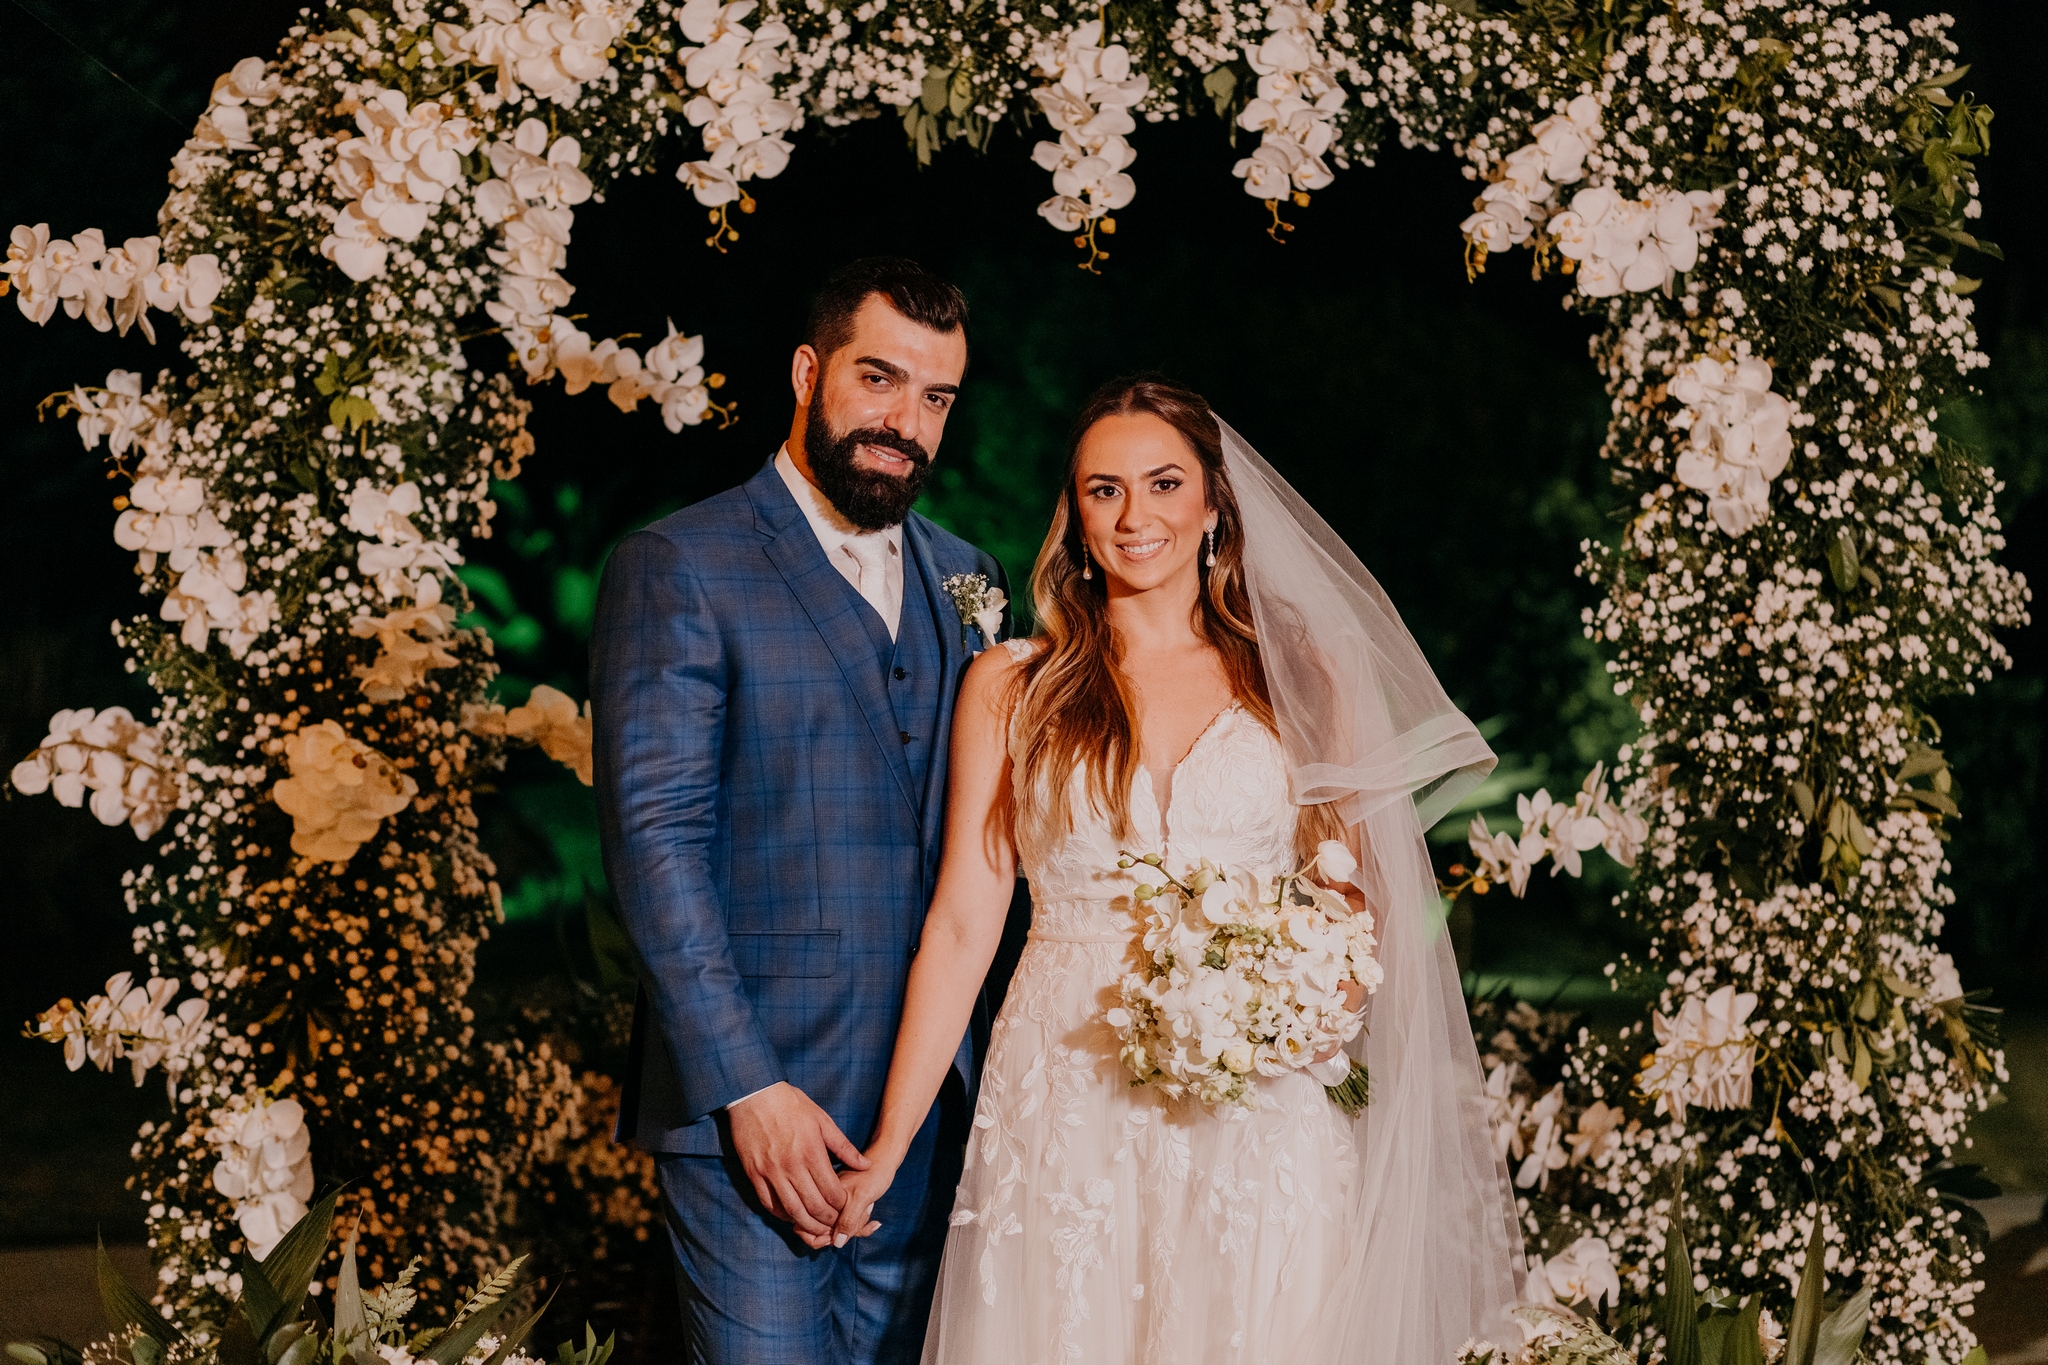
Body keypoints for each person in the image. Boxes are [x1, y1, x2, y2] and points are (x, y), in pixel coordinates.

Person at [830, 377, 1526, 1363]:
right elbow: (961, 922)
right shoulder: (1012, 687)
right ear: (1073, 515)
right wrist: (889, 1149)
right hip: (1064, 1086)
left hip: (1256, 1098)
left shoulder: (1299, 674)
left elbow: (1351, 892)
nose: (1132, 515)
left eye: (1162, 484)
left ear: (1212, 507)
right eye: (1102, 490)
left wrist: (1306, 1000)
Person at [590, 258, 1009, 1364]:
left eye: (934, 398)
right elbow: (654, 846)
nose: (903, 421)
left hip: (926, 1118)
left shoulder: (969, 577)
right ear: (806, 370)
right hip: (757, 1124)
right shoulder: (681, 564)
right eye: (879, 380)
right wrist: (746, 1088)